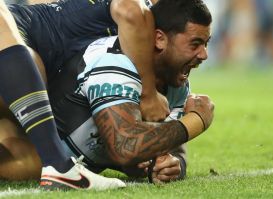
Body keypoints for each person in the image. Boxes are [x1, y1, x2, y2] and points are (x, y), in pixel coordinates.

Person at [2, 0, 214, 184]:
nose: (204, 55)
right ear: (159, 38)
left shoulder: (172, 79)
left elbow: (163, 148)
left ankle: (58, 164)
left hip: (49, 75)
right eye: (195, 44)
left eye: (205, 44)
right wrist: (152, 96)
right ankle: (60, 167)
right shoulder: (122, 47)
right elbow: (126, 147)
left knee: (27, 164)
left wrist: (170, 164)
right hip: (19, 36)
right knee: (29, 73)